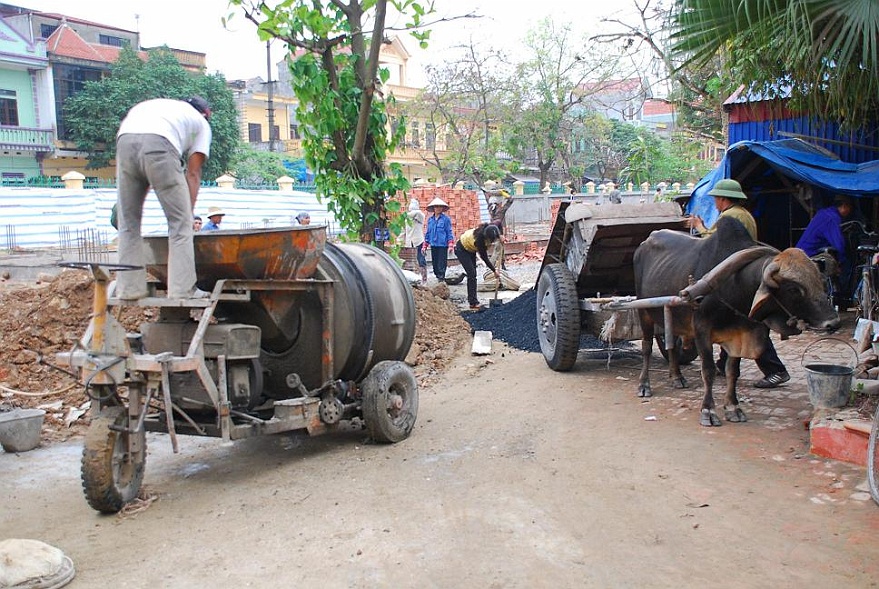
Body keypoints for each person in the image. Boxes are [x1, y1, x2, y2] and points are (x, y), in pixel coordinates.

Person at [686, 178, 790, 388]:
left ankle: (776, 370)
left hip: (736, 274)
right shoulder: (744, 214)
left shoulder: (730, 217)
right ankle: (725, 363)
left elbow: (713, 243)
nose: (715, 202)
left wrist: (699, 226)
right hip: (743, 271)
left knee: (750, 323)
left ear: (723, 199)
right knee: (730, 320)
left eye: (716, 198)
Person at [115, 96, 212, 300]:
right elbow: (193, 174)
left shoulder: (163, 108)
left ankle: (129, 289)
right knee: (179, 224)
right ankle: (182, 290)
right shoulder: (201, 123)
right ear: (205, 114)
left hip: (124, 138)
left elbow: (144, 169)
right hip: (160, 142)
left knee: (128, 223)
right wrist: (188, 213)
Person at [455, 223, 502, 311]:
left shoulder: (491, 228)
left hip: (470, 250)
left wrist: (501, 236)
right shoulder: (479, 240)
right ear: (487, 237)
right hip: (461, 249)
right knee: (472, 274)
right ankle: (473, 303)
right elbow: (484, 257)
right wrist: (494, 270)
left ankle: (473, 300)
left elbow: (498, 223)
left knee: (473, 274)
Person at [423, 196, 454, 282]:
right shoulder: (430, 220)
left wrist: (450, 244)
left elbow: (449, 232)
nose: (438, 208)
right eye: (436, 206)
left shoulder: (446, 219)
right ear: (433, 208)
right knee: (435, 264)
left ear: (442, 208)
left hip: (442, 245)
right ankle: (438, 277)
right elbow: (428, 233)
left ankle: (441, 279)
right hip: (433, 244)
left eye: (440, 206)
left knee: (441, 263)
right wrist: (425, 246)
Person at [404, 199, 427, 284]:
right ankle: (413, 279)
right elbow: (403, 231)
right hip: (409, 242)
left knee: (421, 260)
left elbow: (418, 213)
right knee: (410, 261)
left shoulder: (419, 216)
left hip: (418, 241)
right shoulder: (407, 220)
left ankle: (424, 280)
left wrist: (406, 214)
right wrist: (399, 242)